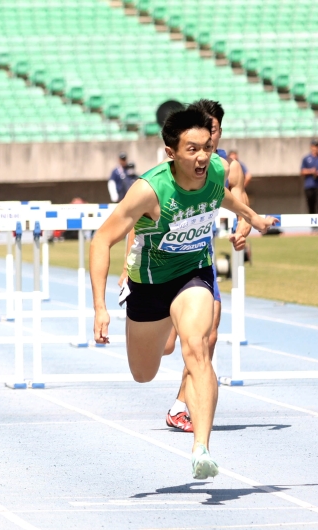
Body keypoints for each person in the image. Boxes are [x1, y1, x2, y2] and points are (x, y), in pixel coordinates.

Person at [93, 107, 276, 479]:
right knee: (144, 372)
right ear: (171, 152)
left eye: (207, 147)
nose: (203, 157)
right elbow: (101, 239)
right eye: (192, 149)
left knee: (198, 346)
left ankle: (201, 448)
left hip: (193, 273)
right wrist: (99, 307)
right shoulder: (150, 189)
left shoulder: (217, 170)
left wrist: (252, 218)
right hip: (149, 285)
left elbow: (222, 196)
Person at [302, 139, 318, 215]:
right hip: (309, 186)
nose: (316, 148)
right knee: (311, 206)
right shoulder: (306, 158)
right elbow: (302, 171)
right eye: (315, 146)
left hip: (317, 186)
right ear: (311, 147)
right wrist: (312, 171)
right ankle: (313, 225)